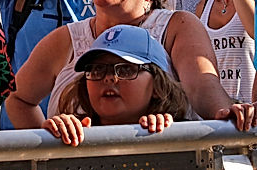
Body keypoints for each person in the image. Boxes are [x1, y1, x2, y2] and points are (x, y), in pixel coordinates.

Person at [5, 0, 257, 130]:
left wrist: (224, 112)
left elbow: (202, 86)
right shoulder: (65, 39)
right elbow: (18, 100)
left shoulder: (178, 26)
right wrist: (48, 143)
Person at [43, 25, 191, 146]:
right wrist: (50, 139)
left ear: (158, 86)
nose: (108, 78)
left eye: (125, 70)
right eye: (97, 69)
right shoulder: (74, 133)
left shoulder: (185, 136)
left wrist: (168, 140)